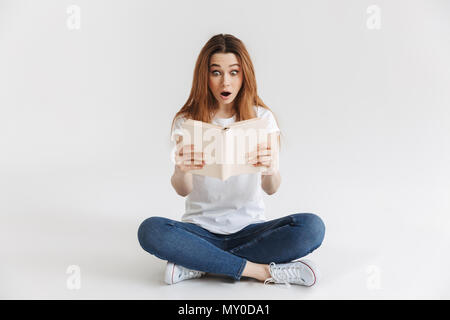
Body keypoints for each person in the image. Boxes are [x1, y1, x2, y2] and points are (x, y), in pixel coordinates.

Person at [138, 33, 325, 287]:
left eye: (233, 72)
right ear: (205, 76)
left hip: (250, 230)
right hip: (200, 231)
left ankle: (198, 263)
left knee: (311, 227)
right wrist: (182, 169)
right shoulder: (187, 120)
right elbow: (183, 189)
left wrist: (270, 168)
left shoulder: (262, 118)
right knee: (150, 230)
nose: (225, 81)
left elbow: (271, 189)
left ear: (244, 75)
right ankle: (260, 271)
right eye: (216, 72)